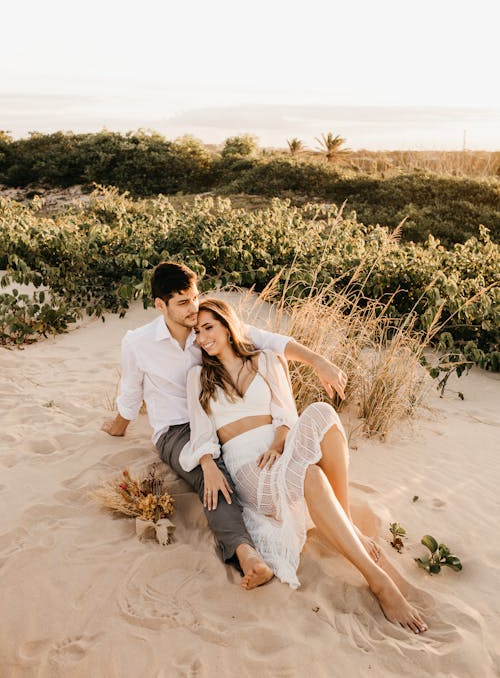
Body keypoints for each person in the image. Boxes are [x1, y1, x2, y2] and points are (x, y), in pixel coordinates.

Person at [180, 298, 428, 634]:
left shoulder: (265, 360)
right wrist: (208, 462)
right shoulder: (199, 376)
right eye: (196, 332)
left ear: (227, 325)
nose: (202, 337)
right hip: (246, 467)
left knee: (323, 412)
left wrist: (278, 445)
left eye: (208, 327)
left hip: (277, 450)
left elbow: (285, 416)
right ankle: (379, 581)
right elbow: (201, 435)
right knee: (310, 473)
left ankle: (348, 524)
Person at [102, 261, 348, 589]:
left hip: (220, 421)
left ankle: (331, 515)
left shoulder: (205, 326)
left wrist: (318, 361)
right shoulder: (138, 342)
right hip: (177, 430)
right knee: (212, 478)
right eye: (182, 302)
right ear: (160, 306)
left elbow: (269, 341)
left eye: (194, 297)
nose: (193, 308)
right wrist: (119, 426)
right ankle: (246, 554)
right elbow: (131, 392)